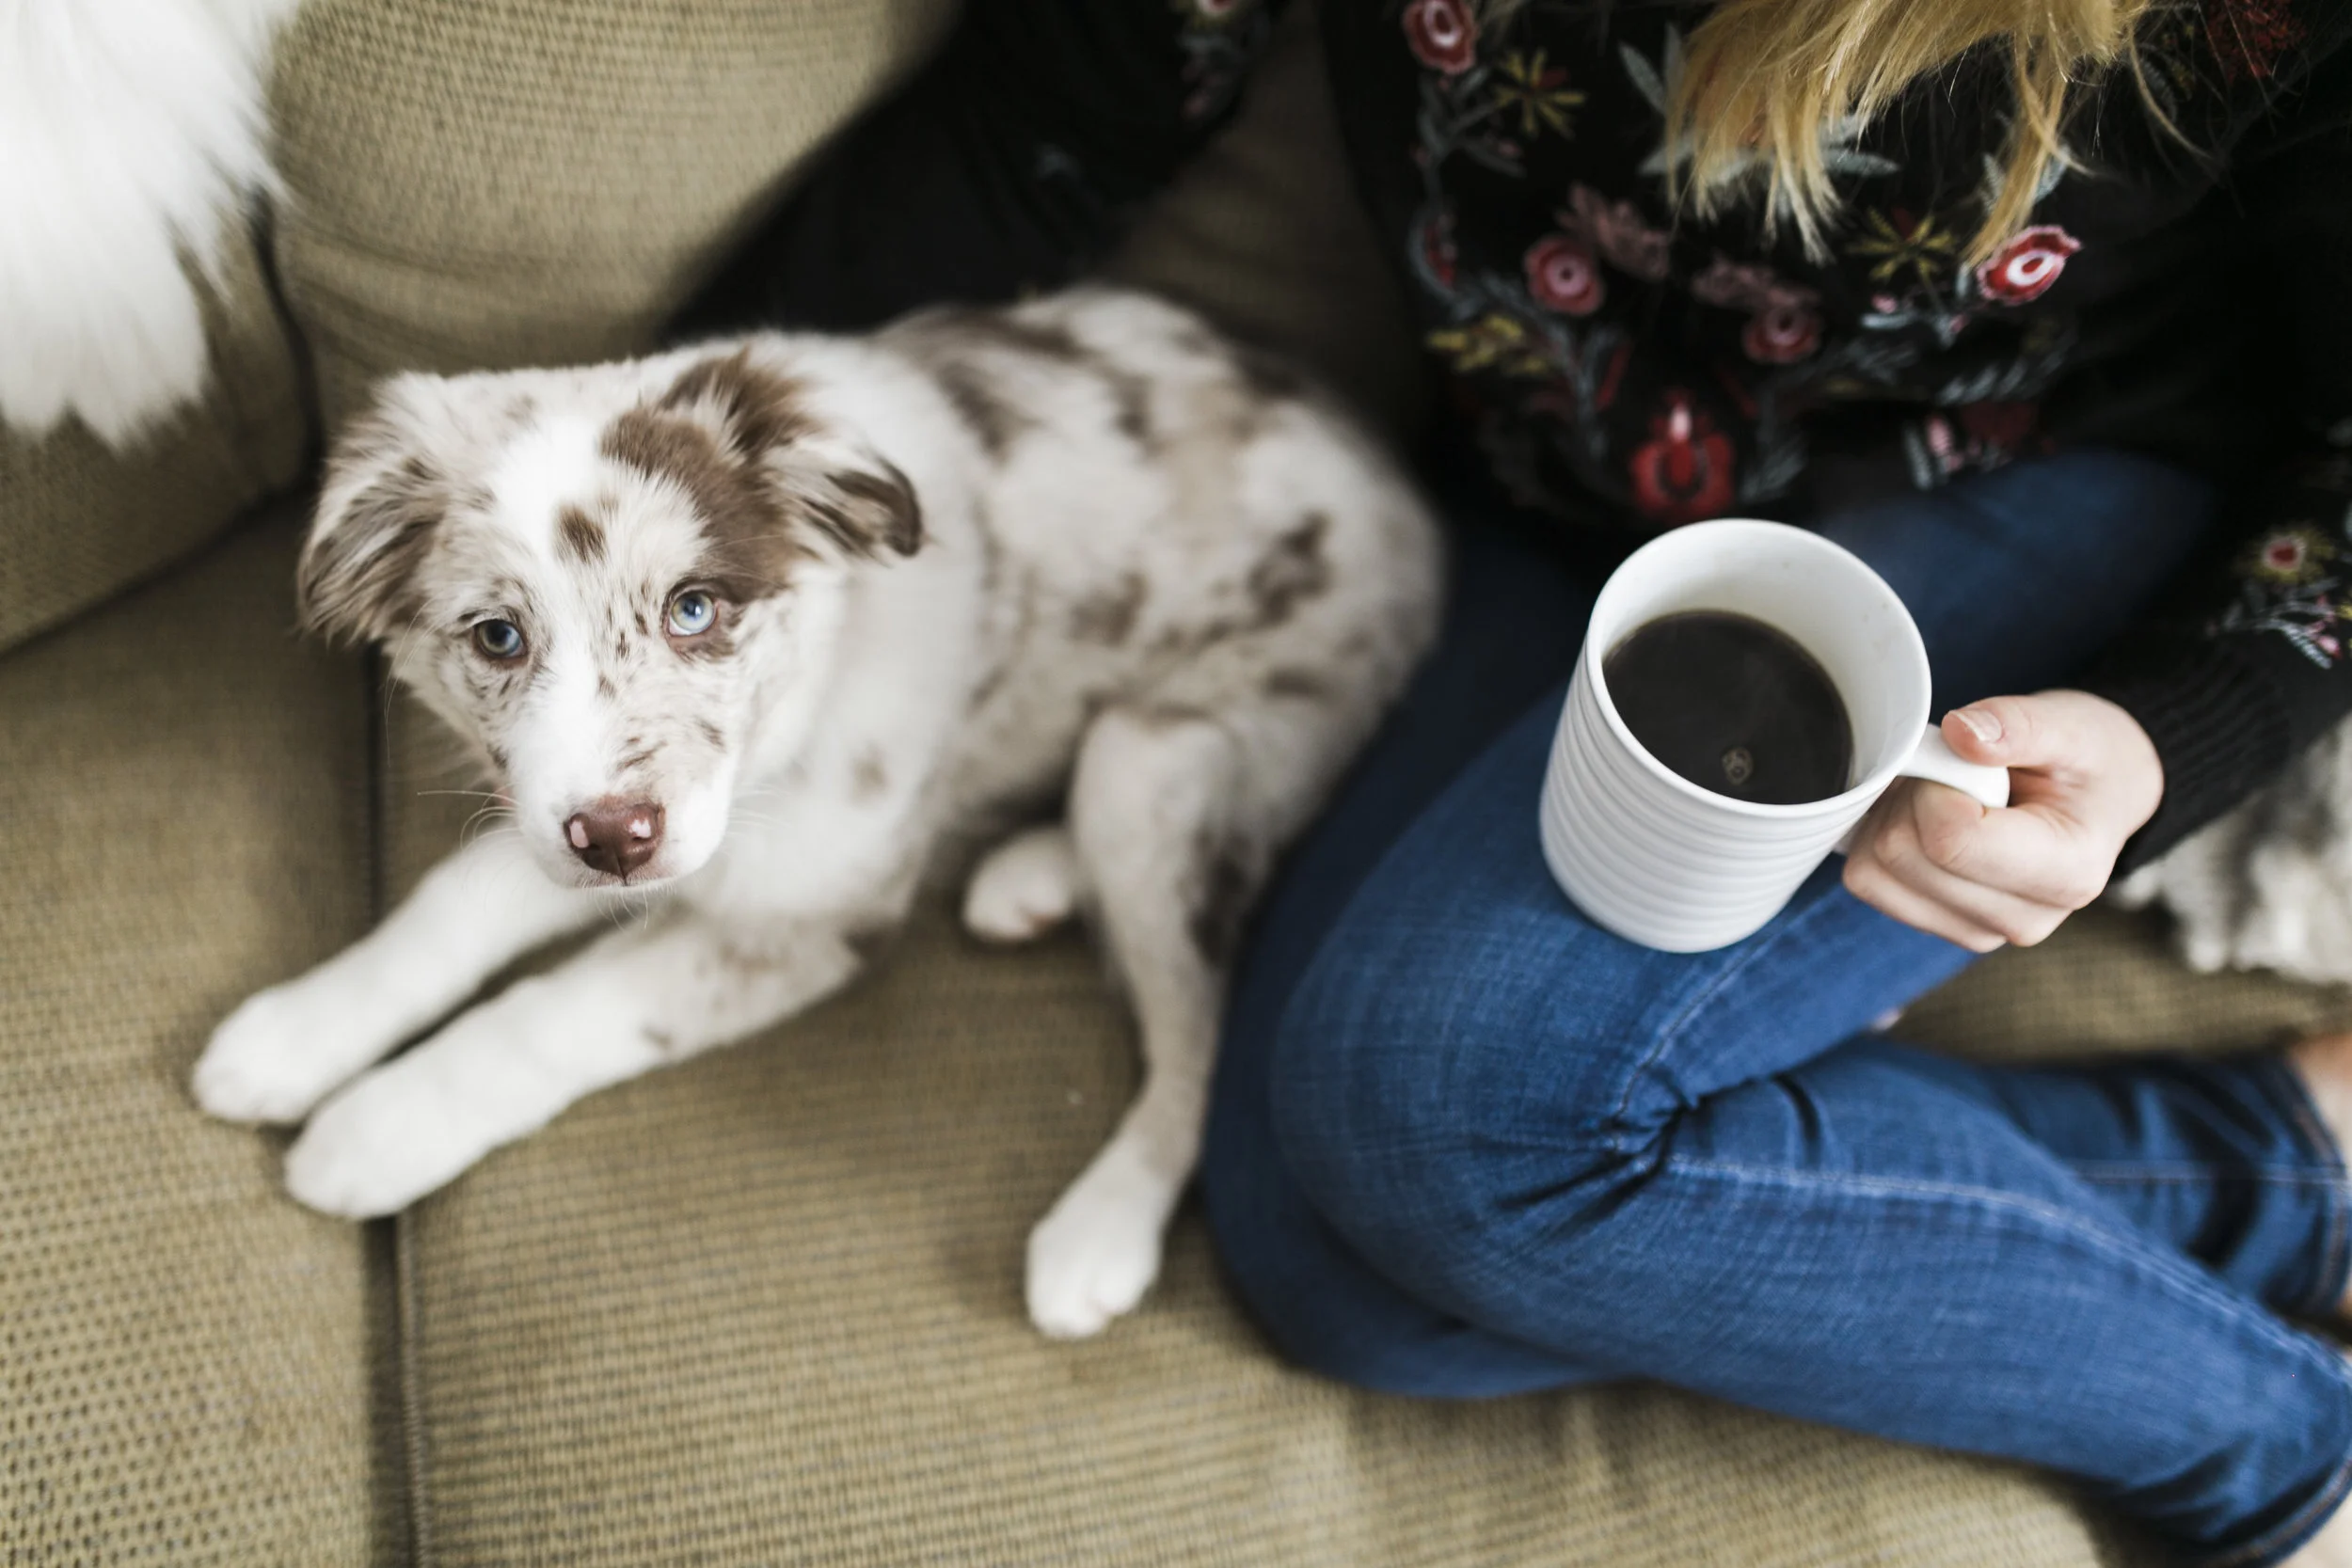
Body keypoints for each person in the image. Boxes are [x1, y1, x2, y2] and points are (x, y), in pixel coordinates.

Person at [675, 1, 2352, 1560]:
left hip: (2045, 503)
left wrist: (2164, 736)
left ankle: (2287, 1450)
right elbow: (1042, 128)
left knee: (1447, 1127)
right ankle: (2275, 1161)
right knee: (1344, 1268)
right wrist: (652, 486)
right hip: (1552, 507)